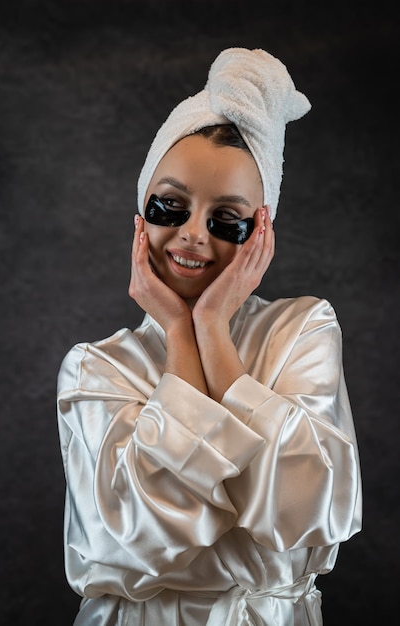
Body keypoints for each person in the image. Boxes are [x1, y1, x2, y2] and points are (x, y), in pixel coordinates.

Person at [57, 47, 362, 626]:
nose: (193, 235)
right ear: (140, 217)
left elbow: (305, 509)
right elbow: (142, 537)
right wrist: (178, 331)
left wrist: (212, 329)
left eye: (227, 220)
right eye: (170, 206)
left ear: (261, 231)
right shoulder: (95, 369)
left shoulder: (303, 330)